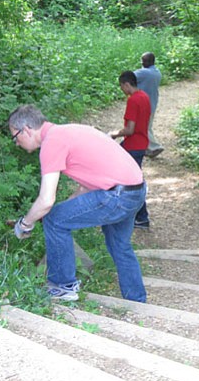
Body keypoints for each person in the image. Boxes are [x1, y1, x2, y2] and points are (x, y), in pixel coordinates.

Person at [8, 104, 147, 302]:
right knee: (119, 244)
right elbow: (85, 187)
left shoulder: (52, 143)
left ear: (27, 130)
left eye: (15, 137)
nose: (16, 143)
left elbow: (46, 200)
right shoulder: (71, 131)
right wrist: (59, 210)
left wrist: (25, 223)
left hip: (116, 196)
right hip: (136, 191)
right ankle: (137, 300)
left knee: (54, 220)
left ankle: (62, 287)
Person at [108, 71, 152, 229]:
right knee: (133, 180)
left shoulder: (133, 100)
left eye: (121, 86)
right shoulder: (144, 96)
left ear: (126, 84)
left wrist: (114, 134)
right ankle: (139, 216)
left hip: (133, 145)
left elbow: (130, 129)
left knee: (130, 182)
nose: (122, 90)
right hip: (141, 143)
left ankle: (139, 216)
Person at [135, 52, 164, 158]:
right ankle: (145, 148)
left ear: (146, 62)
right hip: (152, 103)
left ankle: (154, 147)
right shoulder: (157, 72)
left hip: (143, 105)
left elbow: (128, 77)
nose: (141, 62)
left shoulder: (143, 73)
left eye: (142, 60)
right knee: (147, 126)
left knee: (143, 127)